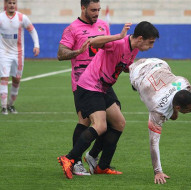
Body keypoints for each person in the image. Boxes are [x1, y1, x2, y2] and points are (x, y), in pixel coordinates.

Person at [57, 21, 159, 179]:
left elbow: (122, 65)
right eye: (150, 42)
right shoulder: (119, 43)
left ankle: (102, 166)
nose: (152, 46)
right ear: (140, 38)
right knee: (100, 125)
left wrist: (136, 71)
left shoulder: (134, 48)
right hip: (90, 86)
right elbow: (93, 41)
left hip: (103, 88)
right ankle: (69, 158)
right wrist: (118, 36)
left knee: (119, 123)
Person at [57, 0, 121, 176]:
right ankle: (75, 162)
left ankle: (94, 158)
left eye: (99, 10)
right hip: (82, 81)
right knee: (85, 122)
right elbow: (61, 54)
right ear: (83, 8)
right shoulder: (72, 28)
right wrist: (77, 52)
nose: (96, 13)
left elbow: (110, 50)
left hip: (102, 79)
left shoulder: (103, 26)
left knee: (116, 119)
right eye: (93, 10)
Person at [129, 58, 191, 184]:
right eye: (189, 110)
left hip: (158, 64)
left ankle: (172, 108)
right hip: (137, 73)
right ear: (178, 107)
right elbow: (153, 142)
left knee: (173, 116)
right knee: (170, 116)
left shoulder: (183, 82)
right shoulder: (157, 110)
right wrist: (158, 171)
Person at [0, 0, 40, 115]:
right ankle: (3, 107)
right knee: (4, 77)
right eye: (9, 3)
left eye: (14, 3)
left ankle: (10, 105)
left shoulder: (22, 18)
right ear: (5, 4)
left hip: (18, 54)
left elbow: (32, 31)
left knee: (16, 79)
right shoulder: (1, 17)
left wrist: (36, 45)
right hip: (3, 53)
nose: (12, 5)